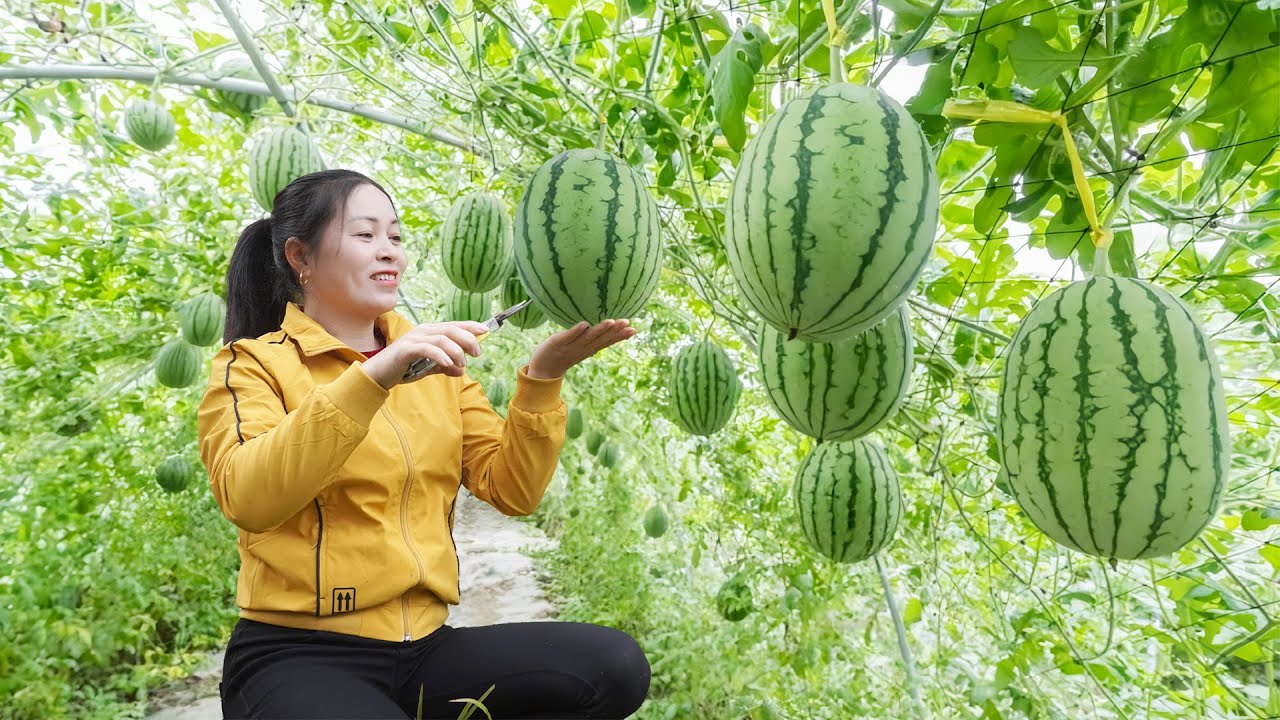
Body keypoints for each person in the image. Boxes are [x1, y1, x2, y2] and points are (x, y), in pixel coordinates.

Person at [195, 169, 650, 719]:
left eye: (396, 236)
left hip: (425, 650)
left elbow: (513, 491)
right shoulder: (252, 364)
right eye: (365, 236)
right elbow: (250, 497)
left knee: (615, 667)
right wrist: (373, 378)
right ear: (301, 257)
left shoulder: (438, 366)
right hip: (294, 655)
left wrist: (544, 377)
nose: (389, 251)